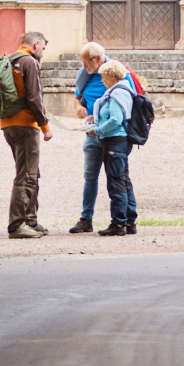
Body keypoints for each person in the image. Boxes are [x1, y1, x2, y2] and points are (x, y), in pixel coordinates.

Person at [69, 43, 145, 234]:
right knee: (94, 177)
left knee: (117, 180)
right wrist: (80, 107)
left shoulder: (119, 78)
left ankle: (121, 222)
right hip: (96, 131)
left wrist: (100, 128)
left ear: (98, 60)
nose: (84, 67)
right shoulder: (85, 76)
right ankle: (90, 219)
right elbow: (78, 96)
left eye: (87, 63)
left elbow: (121, 113)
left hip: (111, 136)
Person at [0, 28, 52, 238]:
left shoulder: (9, 59)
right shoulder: (29, 62)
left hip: (8, 124)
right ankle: (17, 225)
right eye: (44, 48)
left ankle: (31, 220)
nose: (43, 53)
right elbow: (34, 97)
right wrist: (45, 126)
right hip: (25, 125)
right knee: (26, 175)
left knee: (30, 172)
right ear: (36, 44)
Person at [87, 60, 138, 235]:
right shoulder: (123, 90)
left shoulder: (117, 93)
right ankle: (129, 222)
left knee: (116, 183)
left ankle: (118, 224)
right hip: (120, 141)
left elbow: (116, 118)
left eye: (102, 76)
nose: (101, 80)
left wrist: (98, 130)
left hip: (114, 141)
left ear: (111, 76)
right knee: (124, 180)